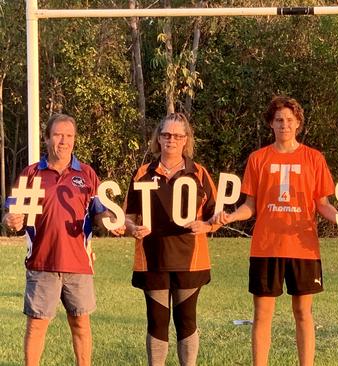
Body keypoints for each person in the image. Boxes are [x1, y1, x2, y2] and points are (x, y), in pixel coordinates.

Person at [213, 96, 338, 366]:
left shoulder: (314, 158)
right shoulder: (258, 159)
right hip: (266, 247)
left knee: (303, 312)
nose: (284, 125)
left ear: (298, 123)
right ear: (271, 123)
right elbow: (249, 206)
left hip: (303, 248)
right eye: (279, 120)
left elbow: (322, 204)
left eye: (290, 120)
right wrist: (230, 216)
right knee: (262, 313)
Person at [3, 113, 117, 366]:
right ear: (47, 138)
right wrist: (11, 220)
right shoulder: (31, 173)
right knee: (36, 325)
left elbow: (99, 211)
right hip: (43, 262)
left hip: (79, 264)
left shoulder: (87, 174)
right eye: (58, 135)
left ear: (74, 140)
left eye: (69, 136)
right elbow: (12, 212)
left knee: (81, 324)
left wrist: (109, 220)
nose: (63, 141)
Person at [123, 113, 220, 366]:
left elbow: (217, 216)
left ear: (186, 139)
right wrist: (132, 227)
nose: (171, 140)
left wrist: (206, 225)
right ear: (158, 137)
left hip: (190, 259)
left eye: (177, 135)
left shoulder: (199, 173)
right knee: (157, 320)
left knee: (186, 320)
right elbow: (126, 216)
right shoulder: (143, 173)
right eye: (166, 134)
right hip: (153, 258)